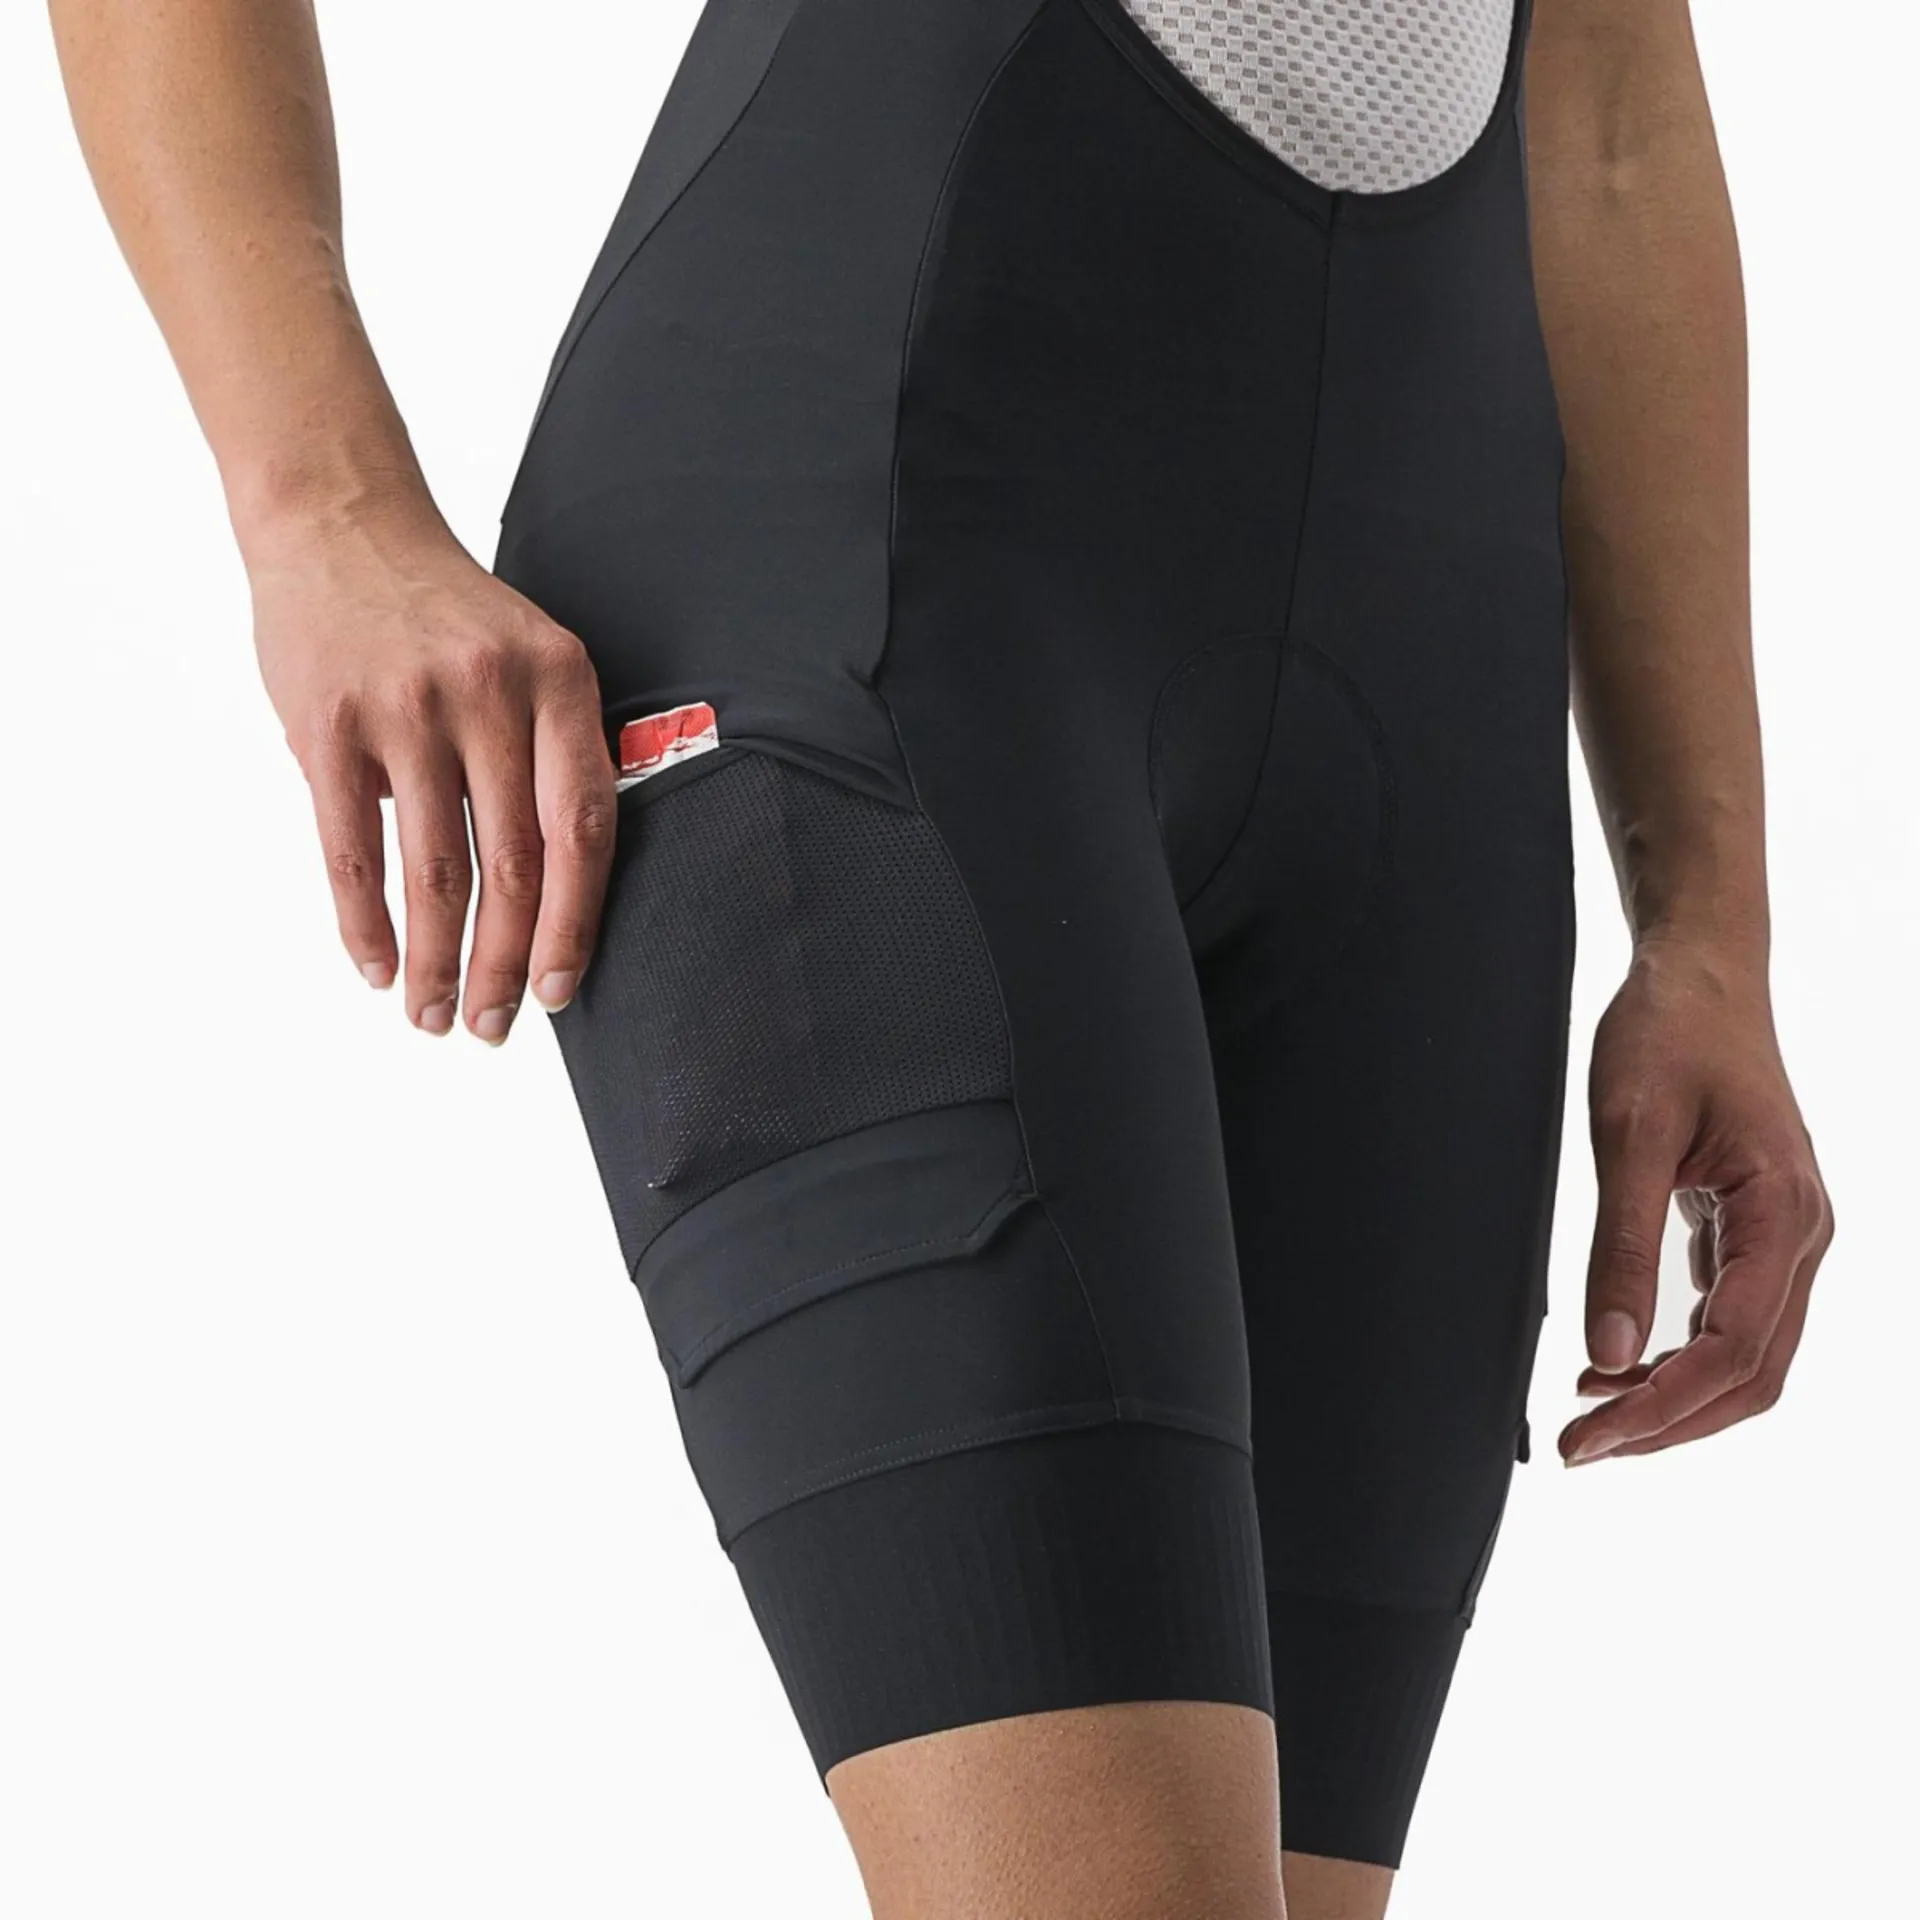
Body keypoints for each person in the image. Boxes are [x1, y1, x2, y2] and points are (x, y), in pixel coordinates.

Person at [50, 1, 1834, 1914]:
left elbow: (1615, 118)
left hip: (1418, 691)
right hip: (873, 581)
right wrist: (320, 511)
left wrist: (1709, 929)